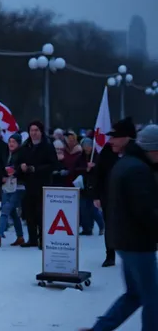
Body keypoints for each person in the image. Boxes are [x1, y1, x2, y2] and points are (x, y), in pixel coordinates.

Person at [82, 125, 158, 331]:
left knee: (135, 295)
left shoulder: (128, 164)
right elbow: (145, 210)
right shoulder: (138, 170)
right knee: (153, 298)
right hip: (138, 242)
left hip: (125, 239)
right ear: (153, 149)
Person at [93, 117, 136, 267]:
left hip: (129, 200)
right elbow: (99, 173)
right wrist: (97, 195)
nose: (111, 140)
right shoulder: (106, 151)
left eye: (115, 137)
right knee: (110, 225)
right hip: (108, 195)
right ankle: (110, 254)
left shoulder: (137, 156)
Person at [19, 121, 58, 249]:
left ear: (41, 132)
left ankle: (43, 239)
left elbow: (53, 164)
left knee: (41, 213)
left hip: (43, 184)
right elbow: (19, 161)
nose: (34, 133)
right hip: (29, 184)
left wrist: (35, 169)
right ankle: (32, 239)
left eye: (36, 130)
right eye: (31, 130)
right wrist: (21, 167)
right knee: (29, 213)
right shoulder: (26, 145)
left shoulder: (47, 146)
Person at [0, 133, 26, 247]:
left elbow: (23, 170)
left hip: (18, 186)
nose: (11, 144)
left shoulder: (23, 155)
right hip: (7, 186)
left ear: (19, 143)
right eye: (10, 141)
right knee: (13, 213)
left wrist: (15, 171)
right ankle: (20, 237)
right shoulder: (7, 154)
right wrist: (3, 175)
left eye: (14, 142)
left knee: (5, 210)